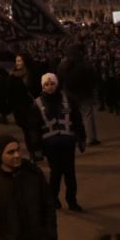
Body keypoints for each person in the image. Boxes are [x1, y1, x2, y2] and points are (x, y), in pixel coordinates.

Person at [36, 72, 85, 212]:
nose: (50, 87)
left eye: (52, 84)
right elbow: (34, 128)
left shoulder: (69, 100)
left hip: (67, 143)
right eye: (46, 84)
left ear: (57, 84)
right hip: (50, 146)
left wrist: (82, 138)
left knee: (70, 173)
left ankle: (72, 201)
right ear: (42, 86)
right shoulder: (38, 104)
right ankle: (53, 199)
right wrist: (36, 148)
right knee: (56, 173)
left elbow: (77, 120)